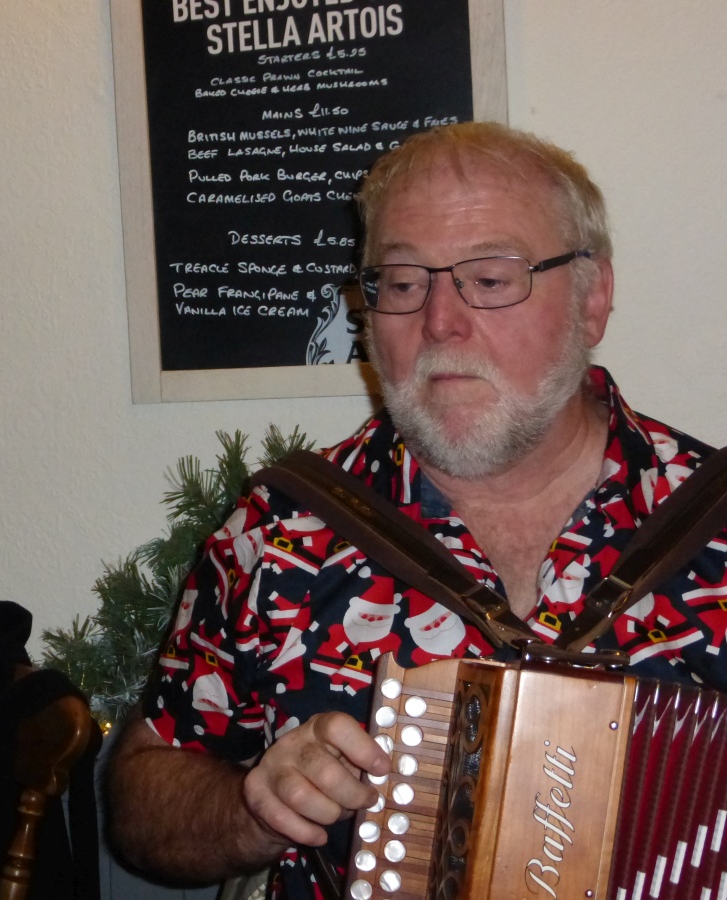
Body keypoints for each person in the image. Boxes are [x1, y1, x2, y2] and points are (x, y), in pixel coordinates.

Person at [106, 122, 727, 899]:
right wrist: (252, 810)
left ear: (592, 298)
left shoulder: (713, 523)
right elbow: (141, 801)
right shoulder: (278, 533)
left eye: (490, 279)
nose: (439, 322)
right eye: (402, 284)